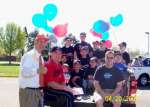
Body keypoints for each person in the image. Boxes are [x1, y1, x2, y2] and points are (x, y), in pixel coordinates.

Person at [19, 34, 48, 107]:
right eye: (40, 42)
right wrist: (38, 70)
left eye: (44, 42)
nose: (42, 44)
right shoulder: (29, 55)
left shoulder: (40, 57)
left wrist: (41, 89)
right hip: (29, 92)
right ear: (35, 42)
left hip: (37, 91)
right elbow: (24, 72)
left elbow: (39, 77)